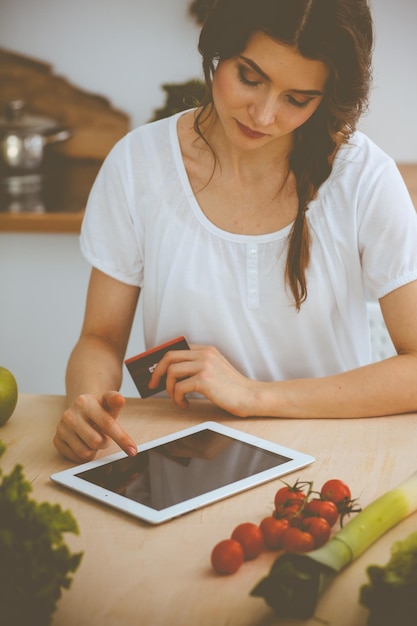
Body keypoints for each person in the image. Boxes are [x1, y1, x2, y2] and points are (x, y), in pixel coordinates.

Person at [54, 0, 417, 463]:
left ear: (328, 97)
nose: (263, 116)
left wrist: (253, 396)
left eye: (297, 99)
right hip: (181, 459)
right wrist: (85, 405)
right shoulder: (137, 164)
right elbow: (100, 338)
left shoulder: (363, 177)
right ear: (219, 50)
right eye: (250, 77)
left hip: (329, 457)